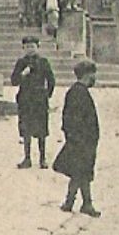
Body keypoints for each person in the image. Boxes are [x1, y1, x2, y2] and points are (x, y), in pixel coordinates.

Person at [52, 59, 101, 217]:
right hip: (81, 140)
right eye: (93, 74)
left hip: (82, 139)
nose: (94, 78)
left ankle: (73, 203)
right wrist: (78, 138)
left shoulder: (78, 91)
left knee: (80, 172)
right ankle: (81, 203)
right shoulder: (78, 93)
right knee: (81, 172)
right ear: (87, 75)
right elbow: (73, 119)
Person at [10, 35, 56, 169]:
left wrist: (47, 95)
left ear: (38, 47)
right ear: (23, 48)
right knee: (26, 130)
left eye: (33, 46)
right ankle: (27, 158)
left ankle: (42, 159)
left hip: (39, 99)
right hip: (25, 99)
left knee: (41, 130)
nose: (30, 49)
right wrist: (22, 74)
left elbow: (51, 80)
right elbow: (14, 81)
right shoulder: (21, 63)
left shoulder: (43, 62)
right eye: (27, 47)